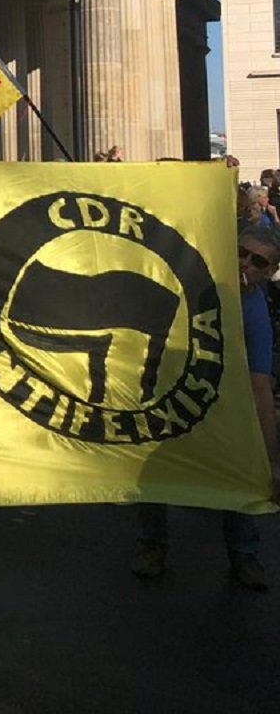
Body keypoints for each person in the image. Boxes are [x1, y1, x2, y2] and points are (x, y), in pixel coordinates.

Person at [132, 223, 280, 590]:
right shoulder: (193, 277)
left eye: (257, 260)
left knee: (234, 473)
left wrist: (270, 459)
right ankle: (153, 547)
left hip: (220, 406)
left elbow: (259, 384)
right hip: (169, 394)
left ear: (268, 273)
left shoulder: (253, 310)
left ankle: (244, 555)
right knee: (156, 472)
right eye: (241, 252)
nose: (245, 263)